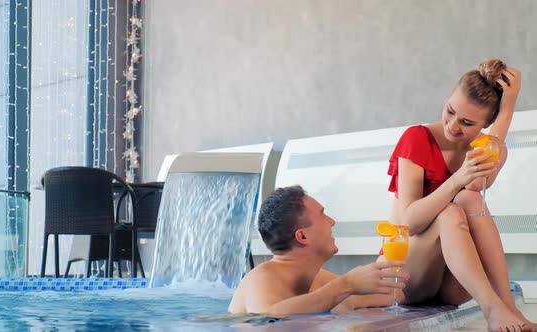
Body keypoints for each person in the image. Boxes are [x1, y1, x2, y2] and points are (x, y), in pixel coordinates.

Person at [384, 59, 535, 332]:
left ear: (486, 123)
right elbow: (408, 224)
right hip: (403, 274)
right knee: (453, 208)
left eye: (467, 122)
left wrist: (508, 107)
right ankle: (493, 308)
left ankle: (506, 307)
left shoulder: (481, 146)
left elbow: (477, 186)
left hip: (452, 284)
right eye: (450, 111)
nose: (453, 125)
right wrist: (457, 180)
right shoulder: (417, 138)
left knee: (470, 199)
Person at [228, 185, 409, 315]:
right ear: (303, 236)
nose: (332, 221)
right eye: (322, 214)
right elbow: (267, 317)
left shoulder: (318, 279)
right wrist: (347, 285)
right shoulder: (260, 279)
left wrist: (352, 296)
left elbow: (395, 295)